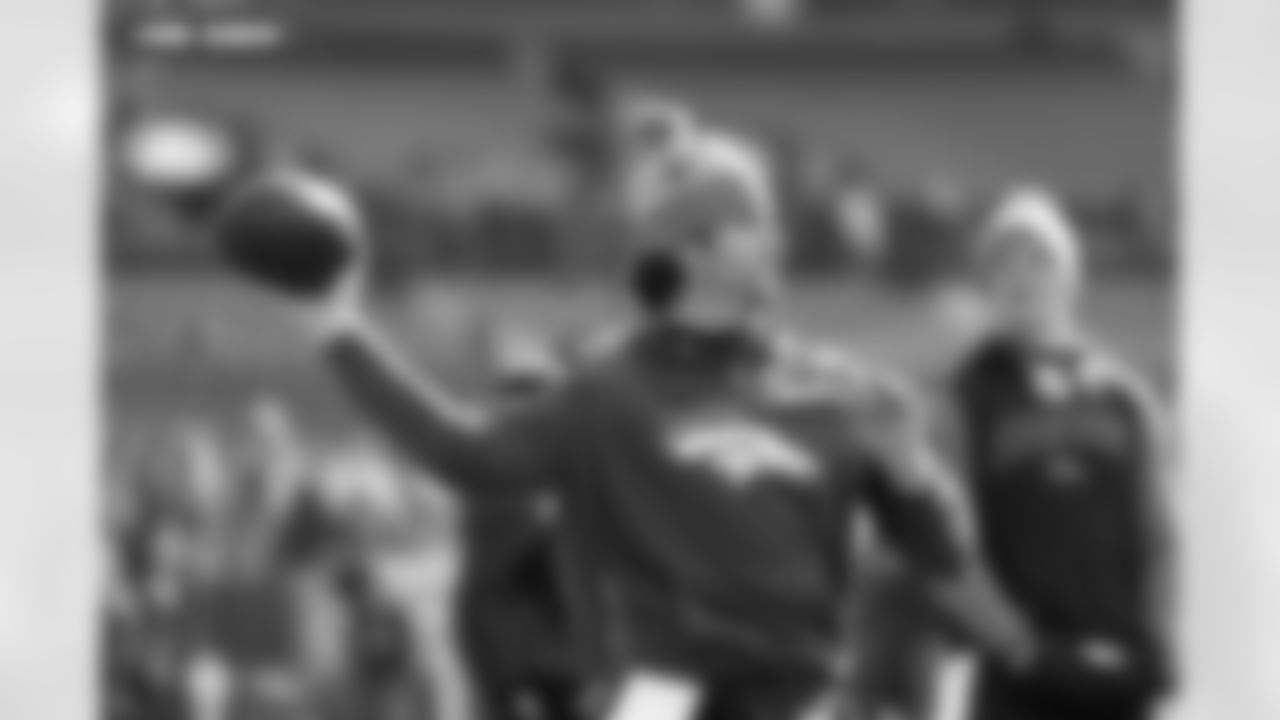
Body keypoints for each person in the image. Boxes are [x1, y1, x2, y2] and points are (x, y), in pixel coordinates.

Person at [208, 124, 1043, 720]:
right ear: (696, 247)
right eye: (758, 225)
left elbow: (940, 554)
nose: (781, 244)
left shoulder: (842, 392)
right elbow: (467, 455)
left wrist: (911, 472)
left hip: (803, 700)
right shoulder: (603, 395)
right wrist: (338, 332)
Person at [945, 187, 1177, 720]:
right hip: (1020, 682)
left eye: (1039, 260)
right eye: (1003, 263)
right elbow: (947, 551)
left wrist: (1156, 643)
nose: (1021, 276)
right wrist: (1020, 647)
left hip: (1118, 670)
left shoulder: (1127, 398)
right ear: (987, 286)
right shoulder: (966, 398)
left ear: (1072, 276)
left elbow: (1160, 537)